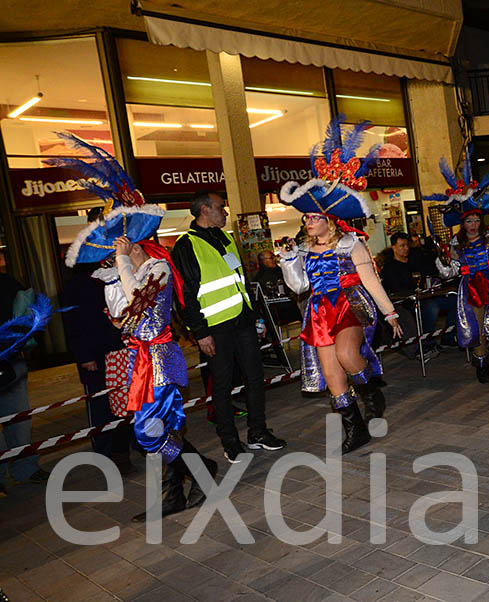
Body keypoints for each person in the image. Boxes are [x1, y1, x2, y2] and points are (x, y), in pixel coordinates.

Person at [58, 133, 217, 521]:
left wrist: (125, 265)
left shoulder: (158, 267)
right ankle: (174, 493)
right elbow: (117, 313)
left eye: (122, 243)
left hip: (159, 356)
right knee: (159, 429)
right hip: (137, 357)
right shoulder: (125, 270)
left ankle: (202, 472)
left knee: (149, 432)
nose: (117, 250)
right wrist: (113, 272)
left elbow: (138, 303)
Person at [278, 116, 403, 454]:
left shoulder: (350, 244)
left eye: (314, 217)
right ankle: (356, 429)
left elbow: (371, 281)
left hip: (351, 304)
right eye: (306, 217)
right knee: (332, 375)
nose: (308, 221)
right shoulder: (302, 250)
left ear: (330, 220)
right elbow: (299, 286)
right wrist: (288, 261)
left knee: (348, 355)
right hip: (319, 311)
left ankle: (371, 391)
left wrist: (390, 314)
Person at [172, 190, 285, 463]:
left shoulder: (227, 238)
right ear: (204, 211)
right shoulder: (186, 245)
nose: (225, 212)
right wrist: (200, 333)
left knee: (255, 379)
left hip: (242, 322)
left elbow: (240, 281)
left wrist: (254, 316)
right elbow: (185, 294)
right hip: (215, 328)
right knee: (221, 387)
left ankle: (258, 432)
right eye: (221, 207)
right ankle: (230, 441)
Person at [429, 148, 489, 383]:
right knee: (477, 328)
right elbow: (451, 270)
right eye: (469, 220)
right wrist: (442, 262)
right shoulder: (456, 243)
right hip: (470, 290)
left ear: (481, 220)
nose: (473, 224)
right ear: (463, 223)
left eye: (476, 220)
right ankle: (482, 366)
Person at [61, 254, 134, 474]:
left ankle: (126, 448)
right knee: (101, 406)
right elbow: (73, 325)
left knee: (125, 401)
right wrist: (84, 356)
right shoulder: (76, 286)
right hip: (95, 357)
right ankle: (106, 453)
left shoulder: (109, 277)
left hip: (118, 351)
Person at [0, 277, 51, 497]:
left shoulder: (6, 282)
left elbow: (31, 310)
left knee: (19, 417)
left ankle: (25, 468)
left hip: (11, 359)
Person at [382, 232, 457, 349]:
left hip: (425, 296)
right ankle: (428, 342)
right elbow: (396, 289)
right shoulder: (390, 268)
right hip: (407, 302)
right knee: (431, 307)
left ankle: (448, 337)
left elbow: (430, 273)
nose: (406, 248)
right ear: (394, 248)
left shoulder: (415, 261)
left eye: (407, 245)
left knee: (455, 300)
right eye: (402, 246)